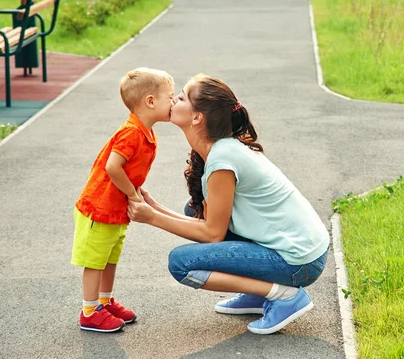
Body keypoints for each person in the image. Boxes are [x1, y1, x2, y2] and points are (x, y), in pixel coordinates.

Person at [127, 74, 330, 335]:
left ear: (197, 117)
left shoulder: (222, 159)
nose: (175, 98)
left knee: (180, 263)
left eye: (183, 96)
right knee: (194, 210)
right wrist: (154, 207)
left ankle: (282, 295)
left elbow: (213, 234)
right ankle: (258, 291)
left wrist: (152, 218)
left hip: (300, 262)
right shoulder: (221, 149)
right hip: (298, 248)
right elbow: (210, 227)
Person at [71, 67, 175, 333]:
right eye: (170, 97)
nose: (174, 102)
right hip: (100, 209)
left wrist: (136, 192)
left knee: (109, 258)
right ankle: (89, 311)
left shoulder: (145, 133)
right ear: (150, 101)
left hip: (115, 210)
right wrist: (132, 193)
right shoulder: (131, 133)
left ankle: (104, 302)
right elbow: (112, 166)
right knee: (95, 261)